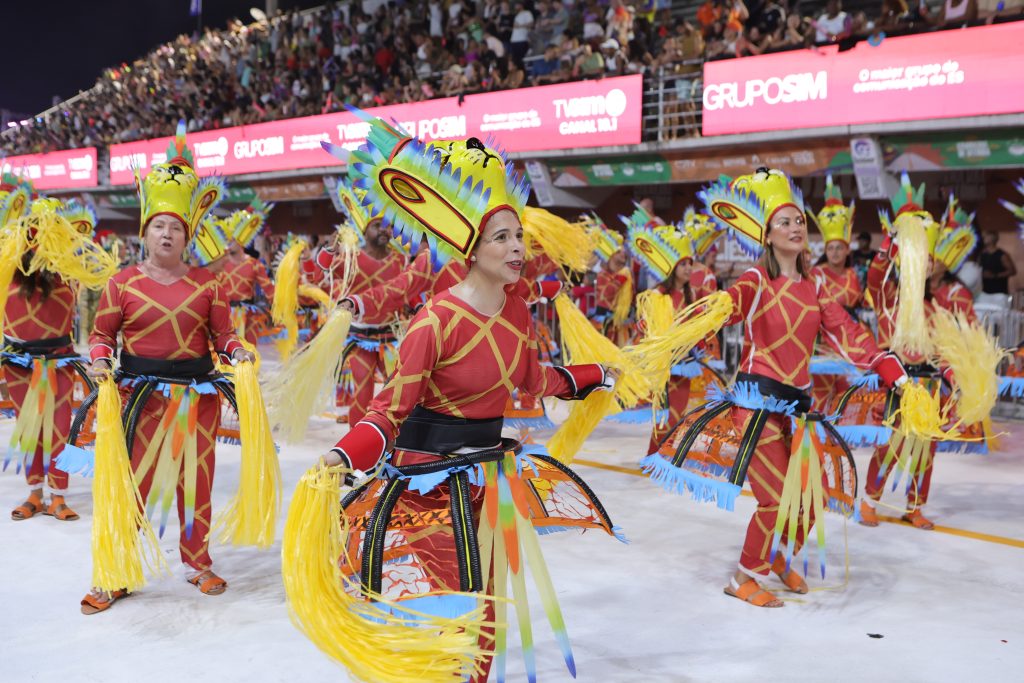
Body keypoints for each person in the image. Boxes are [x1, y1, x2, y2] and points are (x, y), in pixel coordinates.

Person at [303, 121, 622, 681]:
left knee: (490, 604)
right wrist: (341, 456)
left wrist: (597, 373)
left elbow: (533, 379)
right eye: (502, 238)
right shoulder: (435, 321)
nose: (519, 248)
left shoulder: (518, 311)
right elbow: (388, 410)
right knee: (455, 603)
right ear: (470, 249)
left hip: (489, 478)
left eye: (518, 236)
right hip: (430, 480)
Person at [640, 168, 908, 608]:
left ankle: (780, 556)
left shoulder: (817, 285)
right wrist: (708, 312)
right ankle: (744, 575)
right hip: (756, 407)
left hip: (798, 411)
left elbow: (847, 332)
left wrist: (889, 368)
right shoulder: (755, 280)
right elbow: (729, 308)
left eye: (799, 220)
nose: (796, 227)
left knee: (811, 496)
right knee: (776, 497)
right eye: (785, 222)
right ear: (766, 235)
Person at [79, 124, 256, 614]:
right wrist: (99, 361)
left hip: (197, 396)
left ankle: (197, 562)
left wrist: (237, 352)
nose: (167, 233)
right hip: (141, 398)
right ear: (146, 231)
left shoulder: (208, 284)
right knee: (131, 482)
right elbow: (101, 336)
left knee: (196, 480)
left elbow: (224, 335)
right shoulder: (123, 283)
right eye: (159, 225)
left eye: (176, 227)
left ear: (187, 235)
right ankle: (116, 570)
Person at [859, 180, 978, 530]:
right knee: (892, 445)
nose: (924, 264)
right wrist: (891, 241)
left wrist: (957, 383)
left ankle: (915, 506)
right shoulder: (888, 300)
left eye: (928, 260)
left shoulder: (935, 308)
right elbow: (875, 278)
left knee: (926, 449)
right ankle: (869, 501)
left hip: (929, 388)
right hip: (898, 384)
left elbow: (943, 356)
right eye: (918, 258)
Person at [1, 188, 116, 523]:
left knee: (60, 430)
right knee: (28, 431)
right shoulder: (7, 274)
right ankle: (35, 493)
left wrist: (65, 243)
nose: (38, 243)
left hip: (61, 362)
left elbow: (99, 269)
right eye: (34, 233)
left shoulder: (70, 275)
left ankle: (58, 496)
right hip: (19, 365)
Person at [304, 180, 407, 426]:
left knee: (400, 392)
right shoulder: (350, 259)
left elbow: (408, 291)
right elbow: (316, 278)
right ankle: (358, 442)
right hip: (360, 340)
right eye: (377, 226)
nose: (384, 230)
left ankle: (397, 439)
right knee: (360, 394)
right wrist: (329, 250)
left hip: (392, 339)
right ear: (363, 229)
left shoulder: (400, 260)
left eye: (388, 226)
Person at [808, 176, 863, 412]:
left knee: (845, 389)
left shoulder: (853, 274)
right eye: (830, 248)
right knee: (821, 389)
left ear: (847, 249)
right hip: (822, 338)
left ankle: (838, 435)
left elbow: (857, 302)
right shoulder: (816, 272)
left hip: (847, 337)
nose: (835, 252)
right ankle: (816, 436)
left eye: (839, 247)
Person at [205, 199, 276, 345]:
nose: (228, 242)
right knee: (223, 358)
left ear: (242, 238)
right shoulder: (219, 264)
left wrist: (281, 309)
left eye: (232, 239)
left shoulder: (254, 264)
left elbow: (269, 290)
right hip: (223, 317)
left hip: (248, 318)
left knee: (249, 357)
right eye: (227, 238)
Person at [977, 229, 1016, 298]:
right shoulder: (981, 254)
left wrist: (995, 275)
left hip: (999, 293)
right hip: (984, 293)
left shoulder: (1002, 255)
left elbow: (1012, 271)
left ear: (992, 239)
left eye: (985, 237)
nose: (982, 238)